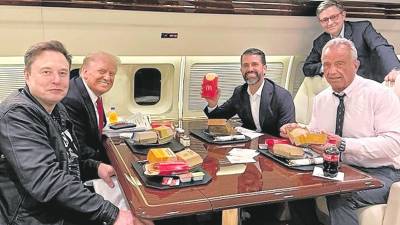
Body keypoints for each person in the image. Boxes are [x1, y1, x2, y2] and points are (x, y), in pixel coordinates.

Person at [0, 40, 153, 225]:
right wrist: (112, 215)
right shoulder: (18, 114)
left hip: (60, 204)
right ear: (27, 75)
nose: (56, 79)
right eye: (46, 72)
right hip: (33, 216)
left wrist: (95, 167)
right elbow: (46, 180)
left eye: (62, 73)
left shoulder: (57, 109)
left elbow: (69, 157)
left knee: (143, 216)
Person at [281, 38, 400, 225]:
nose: (331, 71)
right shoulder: (321, 99)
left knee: (339, 196)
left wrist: (343, 144)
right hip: (339, 168)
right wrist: (298, 131)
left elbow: (393, 146)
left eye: (339, 64)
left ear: (355, 65)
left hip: (382, 173)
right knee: (297, 187)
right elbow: (318, 135)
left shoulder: (379, 95)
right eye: (326, 65)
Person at [203, 48, 295, 136]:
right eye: (245, 65)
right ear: (241, 70)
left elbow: (286, 130)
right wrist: (212, 104)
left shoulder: (282, 96)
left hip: (270, 146)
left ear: (264, 69)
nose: (250, 69)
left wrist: (287, 130)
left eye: (255, 64)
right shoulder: (239, 92)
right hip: (248, 145)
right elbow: (218, 119)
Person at [303, 0, 400, 83]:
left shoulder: (363, 29)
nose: (330, 23)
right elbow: (307, 68)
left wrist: (395, 69)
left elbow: (381, 47)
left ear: (343, 15)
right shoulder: (320, 42)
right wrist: (328, 66)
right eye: (324, 20)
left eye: (333, 17)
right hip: (339, 90)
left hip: (368, 86)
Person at [62, 51, 119, 164]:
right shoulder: (72, 100)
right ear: (85, 72)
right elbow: (79, 148)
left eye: (111, 74)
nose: (107, 78)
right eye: (102, 71)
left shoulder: (93, 93)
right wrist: (115, 161)